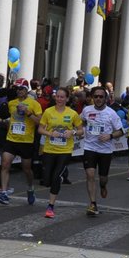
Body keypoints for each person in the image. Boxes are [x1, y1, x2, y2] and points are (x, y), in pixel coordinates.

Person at [36, 85, 82, 219]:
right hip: (49, 149)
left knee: (56, 177)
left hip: (65, 150)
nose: (59, 99)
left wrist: (72, 132)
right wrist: (50, 133)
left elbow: (81, 130)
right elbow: (40, 129)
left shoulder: (72, 113)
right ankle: (55, 181)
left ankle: (50, 206)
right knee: (47, 179)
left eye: (62, 97)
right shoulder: (48, 112)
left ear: (67, 99)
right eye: (58, 96)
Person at [78, 86, 123, 218]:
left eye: (101, 97)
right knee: (90, 174)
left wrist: (109, 136)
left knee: (103, 178)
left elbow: (120, 131)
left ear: (105, 98)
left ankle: (103, 186)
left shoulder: (111, 113)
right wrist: (81, 130)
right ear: (92, 98)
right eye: (96, 96)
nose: (98, 99)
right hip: (89, 147)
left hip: (105, 150)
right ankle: (93, 203)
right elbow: (80, 122)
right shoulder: (87, 110)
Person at [0, 81, 41, 205]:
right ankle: (4, 193)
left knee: (26, 169)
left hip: (26, 141)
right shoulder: (11, 103)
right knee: (5, 165)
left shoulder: (34, 104)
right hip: (11, 139)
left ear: (27, 90)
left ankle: (30, 188)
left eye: (22, 89)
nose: (19, 91)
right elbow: (11, 118)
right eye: (18, 89)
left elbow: (39, 122)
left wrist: (28, 112)